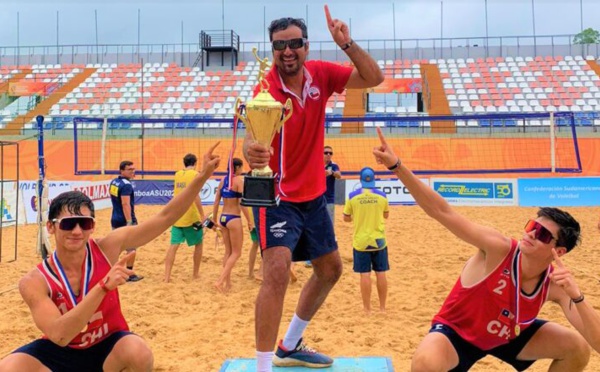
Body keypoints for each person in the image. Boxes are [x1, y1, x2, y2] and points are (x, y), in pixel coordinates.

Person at [372, 127, 600, 371]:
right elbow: (441, 211)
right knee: (425, 363)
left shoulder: (556, 283)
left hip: (508, 334)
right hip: (458, 334)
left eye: (543, 234)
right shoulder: (498, 247)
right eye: (532, 225)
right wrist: (396, 166)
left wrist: (577, 296)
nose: (531, 233)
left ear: (559, 251)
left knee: (577, 348)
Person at [243, 6, 384, 371]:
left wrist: (347, 43)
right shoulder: (265, 89)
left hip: (313, 196)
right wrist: (252, 151)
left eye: (295, 43)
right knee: (276, 272)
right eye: (279, 45)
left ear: (306, 46)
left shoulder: (320, 74)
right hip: (276, 197)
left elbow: (374, 78)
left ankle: (289, 345)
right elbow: (249, 141)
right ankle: (261, 367)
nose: (287, 51)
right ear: (271, 49)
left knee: (331, 270)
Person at [0, 143, 220, 372]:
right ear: (51, 227)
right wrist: (103, 286)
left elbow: (164, 217)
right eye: (68, 224)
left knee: (138, 351)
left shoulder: (106, 248)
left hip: (106, 345)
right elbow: (59, 335)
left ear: (92, 227)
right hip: (62, 351)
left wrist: (202, 177)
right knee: (9, 367)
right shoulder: (33, 281)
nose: (77, 231)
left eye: (84, 223)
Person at [343, 167, 389, 314]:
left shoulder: (352, 196)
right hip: (379, 240)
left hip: (361, 241)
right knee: (381, 272)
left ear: (360, 179)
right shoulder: (382, 196)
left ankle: (367, 309)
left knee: (365, 274)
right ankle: (382, 308)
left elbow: (346, 218)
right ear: (374, 179)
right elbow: (386, 215)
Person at [164, 153, 205, 283]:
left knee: (173, 246)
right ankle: (195, 274)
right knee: (199, 244)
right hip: (190, 216)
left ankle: (167, 277)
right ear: (195, 163)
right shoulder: (195, 175)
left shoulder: (177, 175)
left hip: (177, 215)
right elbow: (195, 196)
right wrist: (203, 215)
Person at [212, 158, 251, 294]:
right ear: (238, 167)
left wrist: (215, 219)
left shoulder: (223, 181)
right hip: (234, 218)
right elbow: (241, 203)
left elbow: (216, 202)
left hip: (223, 217)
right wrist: (249, 220)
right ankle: (220, 281)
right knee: (236, 253)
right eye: (241, 167)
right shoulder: (238, 181)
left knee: (228, 252)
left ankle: (227, 283)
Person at [109, 160, 142, 282]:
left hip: (115, 218)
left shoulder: (114, 182)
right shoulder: (127, 185)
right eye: (129, 169)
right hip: (124, 220)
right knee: (131, 248)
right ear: (121, 171)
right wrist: (129, 221)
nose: (133, 172)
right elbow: (125, 204)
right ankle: (130, 274)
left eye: (133, 169)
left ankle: (110, 270)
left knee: (116, 247)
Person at [323, 145, 341, 223]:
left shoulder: (334, 165)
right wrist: (322, 173)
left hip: (329, 198)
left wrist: (332, 173)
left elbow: (339, 175)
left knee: (330, 221)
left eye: (330, 153)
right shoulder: (316, 164)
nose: (328, 154)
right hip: (316, 198)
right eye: (326, 153)